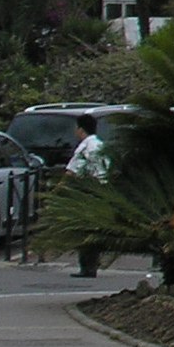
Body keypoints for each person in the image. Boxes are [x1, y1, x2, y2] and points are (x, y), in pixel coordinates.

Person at [66, 114, 108, 279]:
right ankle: (93, 263)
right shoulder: (100, 145)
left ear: (80, 129)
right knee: (95, 229)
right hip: (104, 190)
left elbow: (71, 172)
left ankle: (87, 266)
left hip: (89, 191)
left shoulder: (84, 147)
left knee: (84, 229)